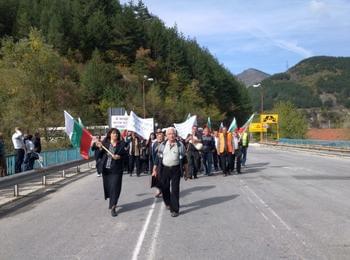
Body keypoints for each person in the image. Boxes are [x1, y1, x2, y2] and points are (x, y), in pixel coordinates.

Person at [152, 127, 187, 217]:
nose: (171, 135)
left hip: (176, 169)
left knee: (175, 189)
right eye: (169, 134)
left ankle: (175, 209)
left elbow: (184, 159)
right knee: (164, 188)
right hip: (164, 169)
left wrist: (186, 171)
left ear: (175, 135)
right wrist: (154, 169)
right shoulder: (162, 145)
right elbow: (157, 158)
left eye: (173, 134)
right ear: (166, 135)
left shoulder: (180, 145)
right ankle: (168, 203)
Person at [95, 128, 127, 217]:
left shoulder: (121, 144)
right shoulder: (105, 144)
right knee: (109, 187)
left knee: (115, 187)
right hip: (106, 170)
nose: (115, 135)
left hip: (116, 170)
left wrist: (119, 157)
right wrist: (100, 148)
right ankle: (112, 201)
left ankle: (113, 206)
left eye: (117, 133)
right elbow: (97, 156)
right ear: (110, 134)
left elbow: (126, 156)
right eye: (113, 133)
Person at [151, 129, 164, 198]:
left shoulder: (165, 143)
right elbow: (153, 154)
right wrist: (154, 164)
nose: (160, 138)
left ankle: (163, 190)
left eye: (161, 137)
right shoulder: (155, 144)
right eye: (159, 136)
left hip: (164, 163)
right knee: (157, 177)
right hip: (157, 163)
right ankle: (158, 190)